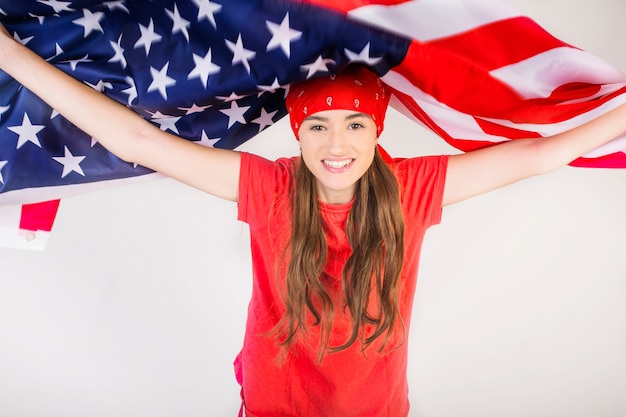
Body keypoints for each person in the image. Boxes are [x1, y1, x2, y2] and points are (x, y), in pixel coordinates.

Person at [1, 23, 625, 417]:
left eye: (355, 125)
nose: (336, 143)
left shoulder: (414, 186)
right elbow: (138, 140)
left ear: (377, 131)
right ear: (297, 136)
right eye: (318, 126)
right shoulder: (270, 187)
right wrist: (9, 53)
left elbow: (541, 154)